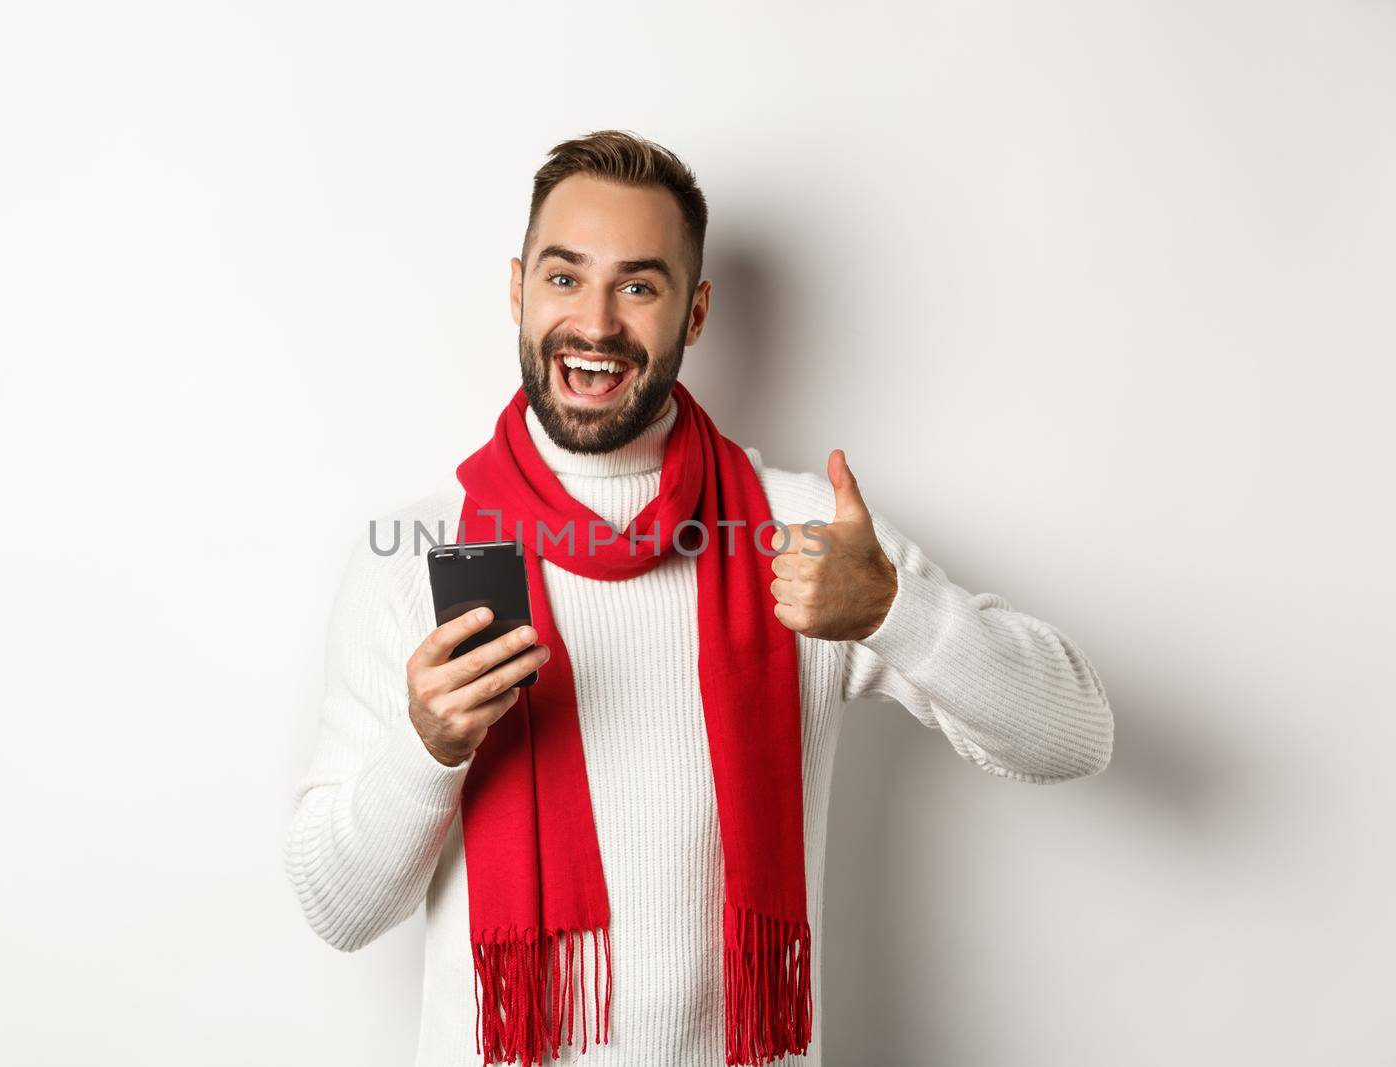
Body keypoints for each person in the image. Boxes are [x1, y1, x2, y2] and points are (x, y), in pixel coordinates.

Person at [283, 130, 1114, 1067]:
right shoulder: (418, 555)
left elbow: (1077, 736)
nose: (595, 324)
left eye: (639, 286)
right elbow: (336, 909)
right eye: (565, 278)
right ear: (517, 289)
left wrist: (897, 614)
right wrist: (427, 749)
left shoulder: (804, 538)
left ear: (696, 310)